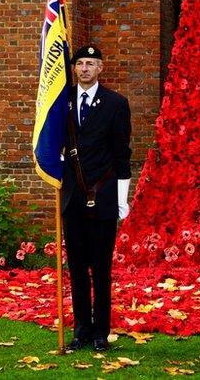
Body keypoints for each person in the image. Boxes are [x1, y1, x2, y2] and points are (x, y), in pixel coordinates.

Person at [62, 45, 132, 352]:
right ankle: (81, 330)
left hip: (102, 197)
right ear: (75, 69)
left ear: (101, 68)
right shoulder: (61, 103)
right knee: (77, 267)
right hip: (72, 197)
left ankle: (101, 331)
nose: (85, 68)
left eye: (91, 63)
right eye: (80, 63)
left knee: (101, 268)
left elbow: (122, 154)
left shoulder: (116, 104)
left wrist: (122, 198)